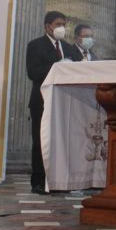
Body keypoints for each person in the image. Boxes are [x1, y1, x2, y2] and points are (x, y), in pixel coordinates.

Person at [26, 11, 81, 194]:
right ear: (47, 26)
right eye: (58, 24)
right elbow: (33, 72)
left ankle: (60, 181)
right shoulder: (35, 45)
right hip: (41, 101)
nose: (61, 28)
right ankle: (39, 181)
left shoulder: (68, 47)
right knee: (40, 142)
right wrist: (58, 66)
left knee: (62, 141)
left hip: (64, 101)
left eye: (64, 24)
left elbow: (79, 68)